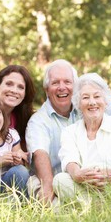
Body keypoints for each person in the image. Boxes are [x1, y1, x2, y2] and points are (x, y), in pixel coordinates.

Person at [53, 73, 111, 202]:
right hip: (84, 187)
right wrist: (78, 175)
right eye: (85, 98)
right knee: (60, 180)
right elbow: (70, 160)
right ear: (78, 103)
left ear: (106, 101)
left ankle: (88, 207)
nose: (92, 102)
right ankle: (96, 207)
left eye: (97, 96)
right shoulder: (69, 132)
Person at [25, 59, 80, 205]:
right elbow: (40, 154)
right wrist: (48, 188)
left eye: (67, 82)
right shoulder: (38, 121)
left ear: (75, 86)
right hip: (52, 178)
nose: (62, 87)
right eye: (55, 83)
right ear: (47, 89)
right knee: (40, 190)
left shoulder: (84, 110)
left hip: (80, 177)